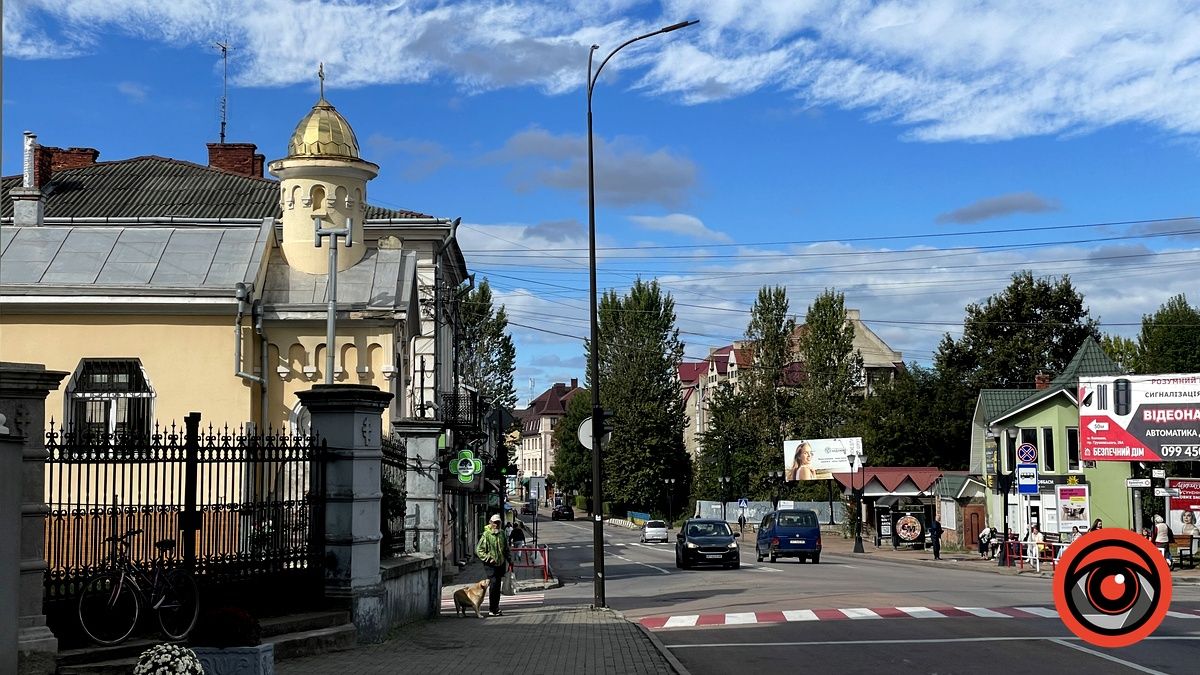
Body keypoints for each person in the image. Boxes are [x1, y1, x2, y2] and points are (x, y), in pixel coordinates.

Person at [476, 513, 511, 617]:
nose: (497, 525)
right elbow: (479, 550)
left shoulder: (502, 534)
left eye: (498, 523)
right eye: (495, 523)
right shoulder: (486, 535)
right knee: (494, 584)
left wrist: (509, 559)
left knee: (497, 586)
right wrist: (488, 558)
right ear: (490, 523)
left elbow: (506, 548)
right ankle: (492, 609)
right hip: (490, 565)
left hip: (500, 564)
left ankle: (496, 608)